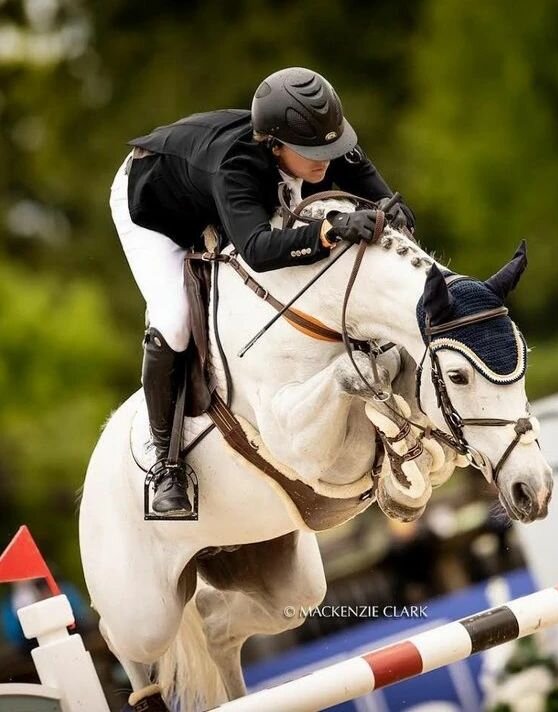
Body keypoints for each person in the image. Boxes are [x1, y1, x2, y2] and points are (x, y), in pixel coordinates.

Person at [110, 67, 415, 517]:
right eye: (312, 151)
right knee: (173, 318)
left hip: (216, 191)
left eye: (331, 146)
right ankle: (165, 464)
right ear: (273, 142)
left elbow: (391, 207)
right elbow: (256, 250)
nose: (325, 161)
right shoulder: (236, 166)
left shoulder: (322, 142)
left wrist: (396, 221)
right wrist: (330, 229)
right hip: (153, 209)